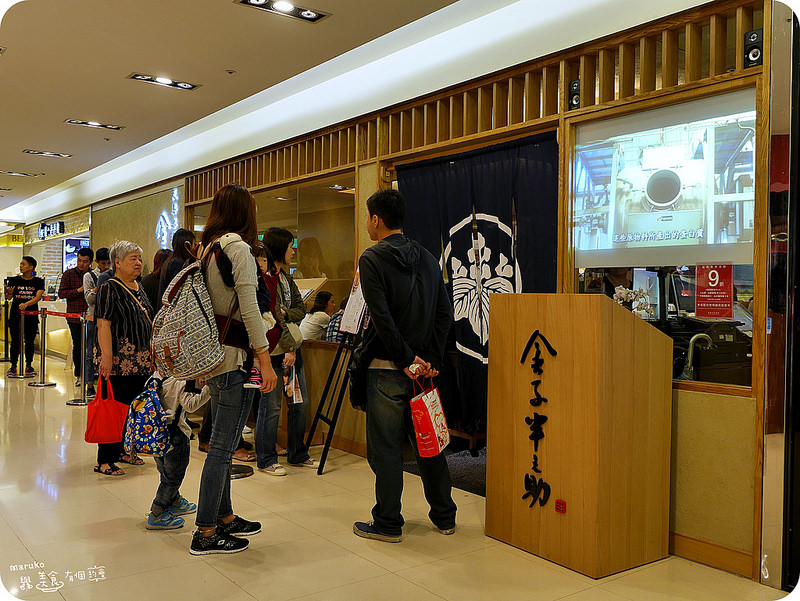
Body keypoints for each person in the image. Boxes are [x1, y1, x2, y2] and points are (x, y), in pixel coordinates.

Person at [353, 188, 456, 543]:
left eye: (367, 217)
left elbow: (382, 318)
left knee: (385, 450)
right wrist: (430, 361)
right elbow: (445, 313)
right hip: (422, 372)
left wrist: (405, 358)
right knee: (430, 447)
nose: (367, 223)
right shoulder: (427, 257)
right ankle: (445, 517)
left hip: (386, 368)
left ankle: (387, 522)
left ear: (376, 219)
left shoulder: (371, 259)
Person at [191, 183, 277, 556]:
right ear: (245, 211)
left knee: (223, 444)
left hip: (215, 353)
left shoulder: (208, 247)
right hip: (235, 356)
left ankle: (224, 517)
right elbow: (249, 305)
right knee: (223, 447)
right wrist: (264, 356)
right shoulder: (238, 248)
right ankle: (206, 530)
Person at [254, 227, 318, 476]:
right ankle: (266, 457)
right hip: (274, 352)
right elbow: (270, 314)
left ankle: (297, 453)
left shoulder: (286, 278)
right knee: (271, 407)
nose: (293, 251)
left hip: (291, 348)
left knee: (299, 403)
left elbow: (299, 309)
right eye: (291, 246)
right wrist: (285, 326)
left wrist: (285, 315)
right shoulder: (265, 277)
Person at [94, 241, 154, 476]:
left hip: (141, 361)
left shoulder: (138, 286)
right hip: (120, 361)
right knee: (114, 409)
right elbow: (103, 324)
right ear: (117, 262)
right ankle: (104, 460)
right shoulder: (110, 287)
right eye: (132, 258)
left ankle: (122, 450)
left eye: (139, 258)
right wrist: (107, 357)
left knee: (132, 409)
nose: (138, 263)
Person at [146, 375, 208, 530]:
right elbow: (190, 405)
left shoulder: (154, 377)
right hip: (176, 435)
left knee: (165, 472)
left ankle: (175, 501)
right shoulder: (181, 381)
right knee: (173, 478)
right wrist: (209, 389)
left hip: (156, 433)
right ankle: (157, 512)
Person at [4, 256, 45, 377]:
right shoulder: (14, 280)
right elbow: (9, 298)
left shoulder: (38, 281)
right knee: (15, 341)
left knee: (29, 340)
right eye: (21, 264)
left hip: (31, 316)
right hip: (16, 315)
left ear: (31, 267)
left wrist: (26, 304)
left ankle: (29, 365)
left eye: (24, 264)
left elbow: (38, 297)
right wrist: (10, 293)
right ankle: (13, 365)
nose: (21, 266)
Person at [59, 246, 93, 386]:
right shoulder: (68, 274)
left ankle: (91, 375)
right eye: (79, 260)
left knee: (91, 347)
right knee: (78, 346)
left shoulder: (93, 275)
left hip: (91, 315)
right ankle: (79, 375)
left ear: (91, 262)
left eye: (84, 261)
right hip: (74, 316)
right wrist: (79, 290)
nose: (81, 264)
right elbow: (62, 293)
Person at [83, 247, 110, 396]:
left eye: (108, 263)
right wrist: (99, 289)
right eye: (103, 263)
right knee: (89, 353)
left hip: (107, 318)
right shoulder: (89, 276)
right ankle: (89, 384)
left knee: (105, 352)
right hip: (93, 318)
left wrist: (96, 290)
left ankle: (104, 383)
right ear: (96, 262)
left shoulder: (112, 275)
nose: (106, 266)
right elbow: (89, 300)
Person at [158, 228, 196, 300]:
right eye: (193, 244)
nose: (194, 247)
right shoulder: (177, 263)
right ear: (186, 245)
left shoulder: (171, 260)